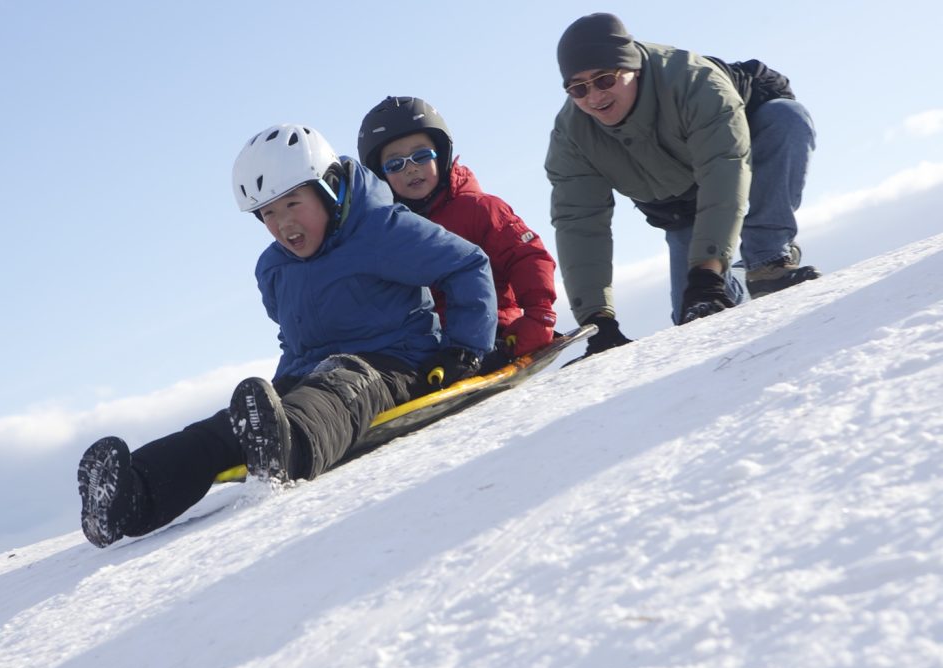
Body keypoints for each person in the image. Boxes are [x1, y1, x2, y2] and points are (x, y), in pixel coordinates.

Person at [77, 124, 497, 548]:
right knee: (225, 429)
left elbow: (466, 265)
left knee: (340, 385)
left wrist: (465, 348)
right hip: (310, 372)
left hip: (392, 365)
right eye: (268, 214)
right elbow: (294, 337)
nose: (283, 223)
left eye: (293, 203)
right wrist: (281, 388)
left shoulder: (380, 230)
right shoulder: (274, 268)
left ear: (329, 188)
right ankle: (133, 493)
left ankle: (289, 446)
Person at [546, 13, 821, 361]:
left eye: (604, 79)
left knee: (787, 118)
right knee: (693, 319)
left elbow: (724, 172)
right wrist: (599, 321)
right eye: (578, 88)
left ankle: (767, 261)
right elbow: (579, 224)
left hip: (738, 167)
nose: (594, 96)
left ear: (633, 68)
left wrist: (706, 275)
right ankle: (729, 278)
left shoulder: (693, 80)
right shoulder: (572, 135)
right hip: (678, 207)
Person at [358, 96, 559, 370]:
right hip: (424, 349)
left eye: (421, 155)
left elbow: (527, 257)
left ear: (441, 155)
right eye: (395, 164)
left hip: (494, 334)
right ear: (380, 176)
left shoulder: (479, 209)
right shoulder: (387, 233)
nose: (411, 168)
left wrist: (539, 316)